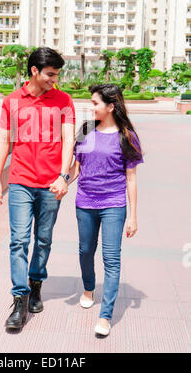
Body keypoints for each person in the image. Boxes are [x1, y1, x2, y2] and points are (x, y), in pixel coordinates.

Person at [0, 47, 76, 330]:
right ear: (34, 71)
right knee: (18, 241)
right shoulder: (11, 102)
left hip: (51, 184)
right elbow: (4, 141)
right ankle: (20, 299)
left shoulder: (64, 100)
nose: (55, 79)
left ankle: (36, 282)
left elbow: (69, 141)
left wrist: (64, 176)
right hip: (20, 182)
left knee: (43, 239)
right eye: (51, 74)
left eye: (57, 74)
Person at [69, 84, 144, 337]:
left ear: (110, 106)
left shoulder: (127, 136)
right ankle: (89, 288)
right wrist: (61, 181)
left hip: (113, 204)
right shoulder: (85, 131)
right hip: (85, 202)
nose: (91, 108)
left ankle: (105, 315)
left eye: (95, 103)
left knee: (111, 259)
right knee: (85, 250)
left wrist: (133, 216)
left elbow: (131, 179)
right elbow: (75, 169)